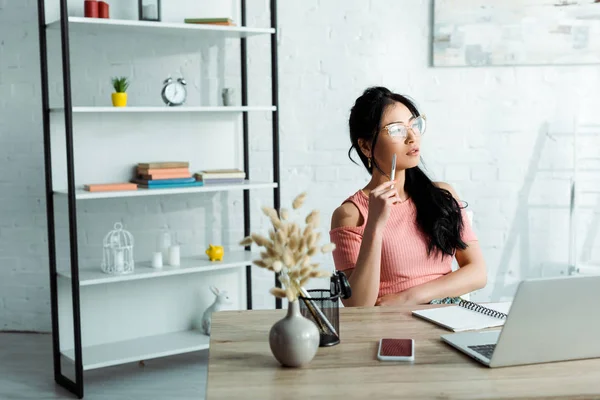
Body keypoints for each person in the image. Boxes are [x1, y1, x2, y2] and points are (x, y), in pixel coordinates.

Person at [329, 86, 487, 308]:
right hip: (390, 329)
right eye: (396, 130)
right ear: (366, 146)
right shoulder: (350, 214)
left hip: (447, 319)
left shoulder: (442, 195)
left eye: (414, 125)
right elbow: (358, 305)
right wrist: (375, 223)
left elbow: (477, 273)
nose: (412, 137)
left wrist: (409, 297)